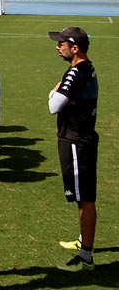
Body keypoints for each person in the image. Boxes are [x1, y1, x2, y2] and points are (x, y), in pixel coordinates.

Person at [47, 27, 99, 272]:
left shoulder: (75, 73)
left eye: (61, 44)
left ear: (75, 48)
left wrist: (54, 91)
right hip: (80, 137)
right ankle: (83, 240)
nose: (57, 47)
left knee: (84, 198)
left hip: (76, 140)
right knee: (83, 196)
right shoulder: (85, 68)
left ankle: (86, 255)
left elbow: (53, 106)